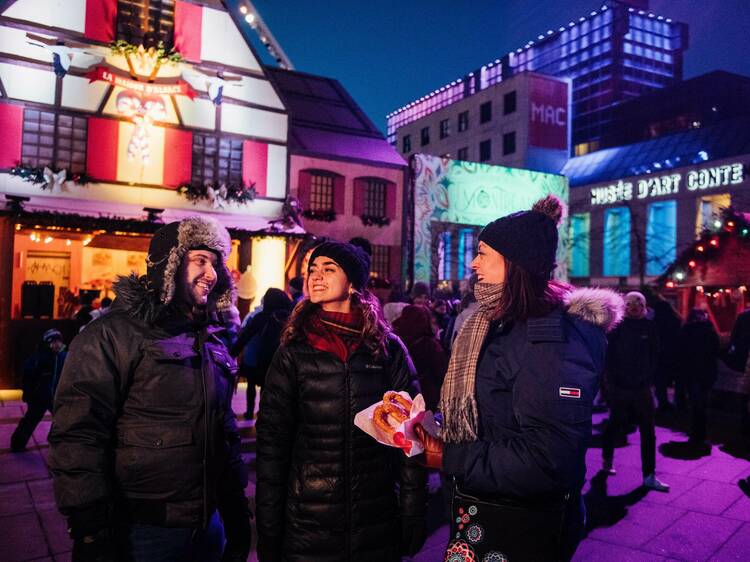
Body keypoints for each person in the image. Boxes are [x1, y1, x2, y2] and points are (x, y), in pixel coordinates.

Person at [414, 196, 624, 561]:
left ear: (514, 263)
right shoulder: (497, 321)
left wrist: (450, 456)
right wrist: (440, 427)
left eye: (482, 253)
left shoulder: (552, 337)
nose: (472, 262)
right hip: (484, 507)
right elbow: (495, 410)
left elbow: (548, 459)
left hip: (520, 526)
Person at [48, 217, 251, 562]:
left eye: (216, 263)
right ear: (169, 264)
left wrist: (235, 509)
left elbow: (222, 429)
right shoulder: (114, 334)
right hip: (142, 532)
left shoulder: (211, 337)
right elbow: (78, 432)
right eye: (200, 260)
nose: (211, 273)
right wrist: (91, 527)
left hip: (208, 526)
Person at [256, 241, 427, 561]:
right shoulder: (294, 351)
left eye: (328, 269)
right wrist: (268, 526)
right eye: (312, 270)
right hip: (308, 521)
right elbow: (272, 444)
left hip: (375, 517)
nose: (315, 276)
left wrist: (413, 509)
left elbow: (413, 435)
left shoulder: (387, 348)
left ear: (352, 284)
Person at [601, 291, 670, 492]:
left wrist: (649, 379)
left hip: (642, 388)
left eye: (637, 303)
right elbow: (608, 356)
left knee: (648, 431)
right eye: (629, 303)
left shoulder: (650, 327)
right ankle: (607, 460)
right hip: (620, 387)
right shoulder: (617, 327)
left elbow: (655, 355)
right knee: (615, 423)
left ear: (643, 306)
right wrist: (610, 382)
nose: (633, 307)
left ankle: (649, 475)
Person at [231, 288, 292, 419]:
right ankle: (264, 413)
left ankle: (249, 411)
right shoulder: (288, 318)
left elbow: (245, 336)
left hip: (256, 360)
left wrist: (232, 353)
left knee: (251, 386)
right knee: (267, 389)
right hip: (275, 362)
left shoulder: (261, 317)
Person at [10, 328, 67, 452]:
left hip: (56, 396)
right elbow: (28, 376)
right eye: (53, 341)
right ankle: (17, 443)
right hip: (40, 396)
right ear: (47, 343)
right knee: (31, 419)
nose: (57, 344)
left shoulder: (63, 356)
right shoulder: (39, 357)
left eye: (59, 341)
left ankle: (54, 440)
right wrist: (28, 393)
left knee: (62, 419)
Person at [392, 304, 449, 411]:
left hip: (401, 400)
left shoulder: (395, 343)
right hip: (427, 400)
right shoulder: (430, 346)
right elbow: (443, 374)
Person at [677, 308, 720, 450]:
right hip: (706, 373)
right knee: (702, 404)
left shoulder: (686, 331)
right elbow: (715, 351)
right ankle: (700, 434)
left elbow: (681, 353)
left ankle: (696, 434)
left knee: (696, 404)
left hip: (692, 373)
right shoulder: (710, 331)